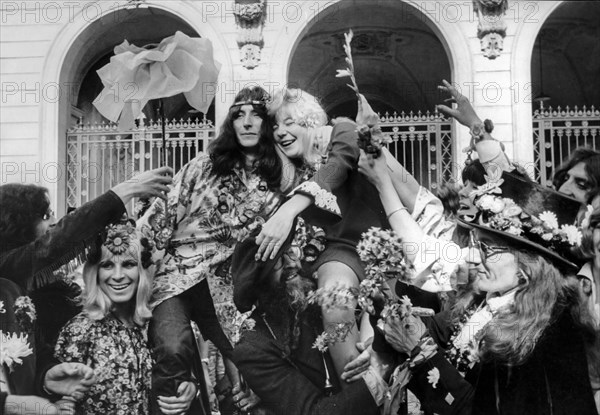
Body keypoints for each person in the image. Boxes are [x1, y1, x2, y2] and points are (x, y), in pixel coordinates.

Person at [381, 173, 598, 415]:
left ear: (528, 266)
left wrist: (421, 351)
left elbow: (478, 409)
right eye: (475, 244)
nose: (474, 257)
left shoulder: (548, 331)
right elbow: (435, 329)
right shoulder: (485, 301)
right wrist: (388, 308)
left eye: (487, 248)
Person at [138, 86, 285, 412]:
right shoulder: (203, 165)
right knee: (173, 347)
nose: (247, 123)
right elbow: (158, 221)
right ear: (230, 123)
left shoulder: (278, 176)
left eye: (256, 115)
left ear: (268, 123)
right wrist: (128, 269)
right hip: (176, 276)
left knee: (251, 366)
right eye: (239, 115)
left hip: (228, 287)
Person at [0, 167, 172, 401]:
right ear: (18, 224)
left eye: (129, 265)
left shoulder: (48, 286)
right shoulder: (9, 268)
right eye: (45, 215)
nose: (53, 221)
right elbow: (56, 243)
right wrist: (124, 191)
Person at [231, 226, 390, 415]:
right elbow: (315, 412)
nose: (293, 263)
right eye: (277, 261)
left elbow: (372, 312)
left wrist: (375, 344)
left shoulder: (319, 290)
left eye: (290, 251)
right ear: (258, 279)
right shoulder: (254, 349)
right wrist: (380, 370)